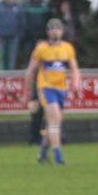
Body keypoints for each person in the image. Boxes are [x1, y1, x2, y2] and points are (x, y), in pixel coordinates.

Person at [23, 18, 80, 164]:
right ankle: (58, 156)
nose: (55, 31)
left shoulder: (68, 48)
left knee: (54, 123)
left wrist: (76, 82)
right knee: (54, 120)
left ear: (62, 31)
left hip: (61, 88)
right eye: (52, 29)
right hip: (46, 87)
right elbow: (30, 71)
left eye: (58, 28)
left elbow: (74, 67)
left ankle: (42, 154)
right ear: (48, 31)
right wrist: (26, 93)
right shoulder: (41, 48)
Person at [0, 0, 24, 70]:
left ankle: (10, 75)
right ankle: (0, 74)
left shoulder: (18, 7)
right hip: (0, 37)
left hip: (14, 37)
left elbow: (22, 21)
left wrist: (19, 34)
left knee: (12, 57)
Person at [21, 0, 50, 66]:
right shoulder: (26, 4)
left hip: (42, 35)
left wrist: (45, 34)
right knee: (29, 54)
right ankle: (30, 69)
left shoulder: (45, 5)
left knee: (43, 54)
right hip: (29, 36)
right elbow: (24, 20)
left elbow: (47, 20)